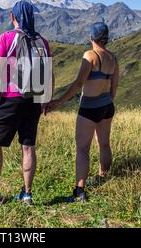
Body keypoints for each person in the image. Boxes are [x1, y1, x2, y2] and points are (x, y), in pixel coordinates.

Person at [0, 0, 53, 205]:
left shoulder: (6, 38)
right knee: (28, 146)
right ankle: (27, 194)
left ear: (13, 17)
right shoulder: (42, 41)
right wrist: (45, 99)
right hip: (34, 101)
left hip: (10, 99)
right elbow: (49, 74)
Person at [47, 22, 119, 202]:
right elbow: (114, 85)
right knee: (104, 144)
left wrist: (59, 102)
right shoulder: (113, 58)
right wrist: (108, 101)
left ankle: (79, 191)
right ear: (106, 38)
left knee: (82, 149)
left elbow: (79, 83)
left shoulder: (90, 55)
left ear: (91, 37)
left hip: (89, 107)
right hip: (107, 105)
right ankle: (104, 176)